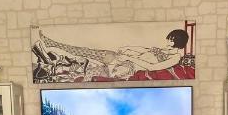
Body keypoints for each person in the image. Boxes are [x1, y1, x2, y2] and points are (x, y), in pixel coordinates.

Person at [31, 26, 189, 79]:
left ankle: (55, 62)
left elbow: (152, 67)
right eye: (169, 39)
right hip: (120, 58)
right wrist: (129, 48)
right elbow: (146, 50)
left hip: (127, 66)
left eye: (171, 41)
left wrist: (128, 57)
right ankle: (52, 45)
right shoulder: (164, 49)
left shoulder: (175, 57)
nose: (167, 42)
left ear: (178, 43)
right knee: (85, 51)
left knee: (87, 66)